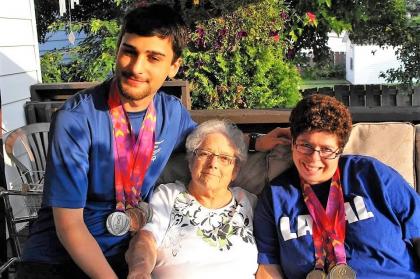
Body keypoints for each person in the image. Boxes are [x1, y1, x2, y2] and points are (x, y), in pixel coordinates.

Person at [18, 4, 286, 279]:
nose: (136, 67)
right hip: (57, 260)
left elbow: (207, 141)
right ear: (117, 49)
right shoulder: (76, 120)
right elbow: (69, 227)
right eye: (129, 51)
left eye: (153, 58)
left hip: (122, 253)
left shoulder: (171, 113)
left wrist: (257, 140)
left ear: (174, 66)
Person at [254, 94, 420, 279]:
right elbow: (268, 269)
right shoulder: (275, 196)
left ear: (339, 150)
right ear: (293, 143)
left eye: (326, 149)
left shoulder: (371, 174)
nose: (314, 158)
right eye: (305, 145)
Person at [125, 119, 258, 279]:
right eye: (205, 153)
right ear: (190, 161)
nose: (213, 164)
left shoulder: (250, 202)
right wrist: (140, 270)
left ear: (235, 171)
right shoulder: (168, 196)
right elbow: (146, 239)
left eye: (224, 158)